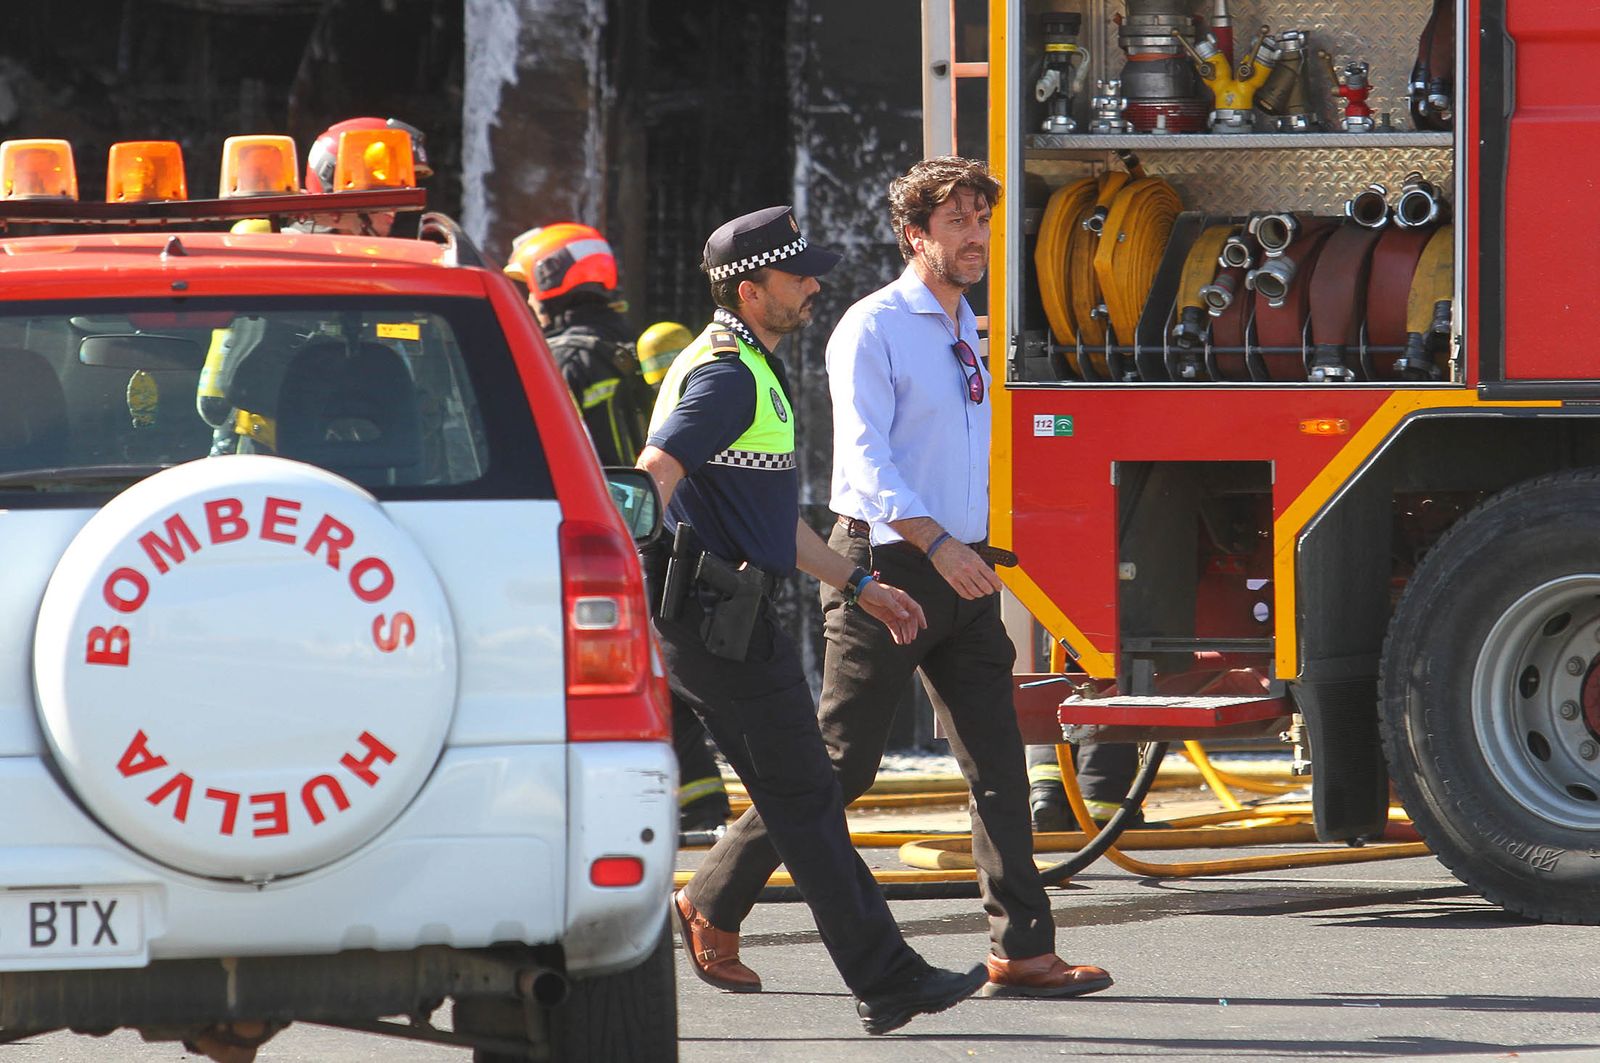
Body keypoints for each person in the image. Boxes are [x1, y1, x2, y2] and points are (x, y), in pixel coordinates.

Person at [684, 158, 1115, 1000]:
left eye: (982, 220)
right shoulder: (871, 326)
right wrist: (936, 543)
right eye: (957, 222)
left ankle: (1022, 948)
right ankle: (709, 899)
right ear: (915, 235)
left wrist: (976, 542)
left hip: (963, 565)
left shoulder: (968, 328)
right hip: (889, 563)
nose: (977, 236)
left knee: (997, 757)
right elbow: (864, 463)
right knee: (841, 766)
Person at [638, 204, 986, 1034]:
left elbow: (772, 522)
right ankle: (887, 977)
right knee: (807, 798)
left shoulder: (738, 363)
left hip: (718, 619)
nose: (816, 286)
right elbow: (653, 473)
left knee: (804, 799)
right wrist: (600, 551)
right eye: (800, 277)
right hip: (721, 624)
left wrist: (859, 581)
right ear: (751, 291)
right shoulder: (727, 376)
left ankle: (880, 974)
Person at [503, 223, 653, 467]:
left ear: (548, 279)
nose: (529, 299)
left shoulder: (561, 358)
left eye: (529, 289)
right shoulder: (630, 340)